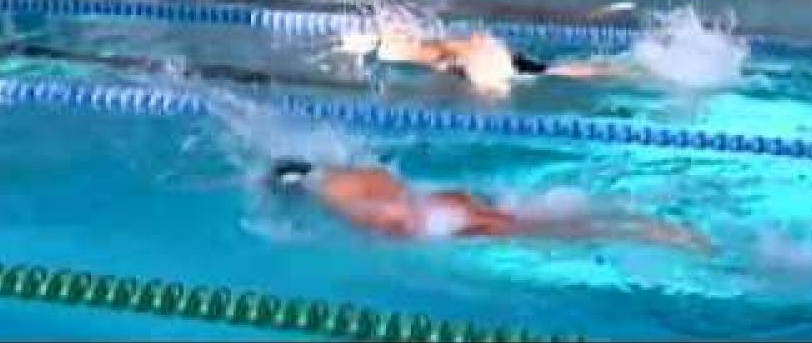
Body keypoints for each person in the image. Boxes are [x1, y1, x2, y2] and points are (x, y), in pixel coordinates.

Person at [265, 159, 712, 250]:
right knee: (538, 220)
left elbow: (388, 218)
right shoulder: (346, 171)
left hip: (433, 218)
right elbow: (391, 182)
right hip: (443, 200)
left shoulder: (333, 198)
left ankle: (656, 234)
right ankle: (646, 223)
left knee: (547, 232)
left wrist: (412, 232)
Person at [359, 26, 626, 99]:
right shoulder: (422, 43)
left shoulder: (419, 51)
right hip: (489, 56)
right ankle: (616, 69)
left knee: (548, 72)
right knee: (548, 71)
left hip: (486, 63)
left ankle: (616, 70)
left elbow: (450, 59)